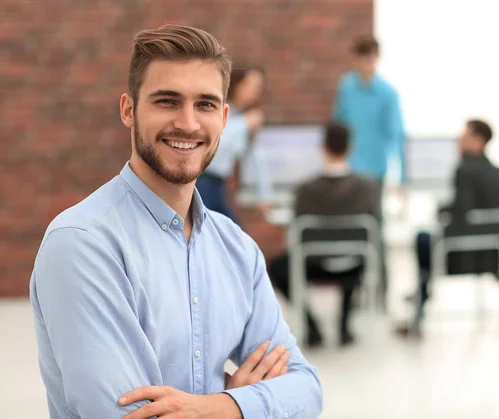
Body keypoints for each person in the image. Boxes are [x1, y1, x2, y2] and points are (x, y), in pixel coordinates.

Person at [29, 24, 323, 419]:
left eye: (204, 104)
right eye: (167, 101)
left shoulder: (237, 249)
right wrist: (246, 408)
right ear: (128, 110)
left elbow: (306, 390)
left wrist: (220, 408)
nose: (188, 123)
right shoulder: (82, 245)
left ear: (223, 117)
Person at [269, 122, 381, 347]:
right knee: (362, 251)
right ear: (350, 148)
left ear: (323, 147)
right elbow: (375, 229)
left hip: (314, 265)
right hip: (353, 264)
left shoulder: (305, 190)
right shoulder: (367, 187)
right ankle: (344, 325)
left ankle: (312, 327)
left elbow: (296, 233)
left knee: (278, 265)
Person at [396, 119, 499, 337]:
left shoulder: (464, 170)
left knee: (423, 238)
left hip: (460, 257)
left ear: (478, 140)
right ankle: (421, 295)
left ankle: (420, 303)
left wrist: (441, 211)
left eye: (464, 136)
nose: (458, 141)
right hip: (493, 258)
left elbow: (460, 216)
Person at [332, 35, 406, 298]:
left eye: (370, 57)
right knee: (348, 229)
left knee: (375, 229)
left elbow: (397, 136)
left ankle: (381, 291)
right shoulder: (347, 87)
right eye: (361, 57)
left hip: (374, 173)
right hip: (348, 172)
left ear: (377, 58)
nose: (365, 63)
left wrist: (403, 180)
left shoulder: (387, 93)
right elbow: (338, 126)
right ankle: (352, 287)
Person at [195, 66, 272, 225]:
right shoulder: (216, 109)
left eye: (258, 87)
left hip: (218, 185)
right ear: (236, 84)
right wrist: (245, 123)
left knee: (232, 234)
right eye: (250, 85)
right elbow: (214, 141)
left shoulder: (243, 117)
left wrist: (264, 195)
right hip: (202, 181)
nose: (254, 91)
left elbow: (255, 156)